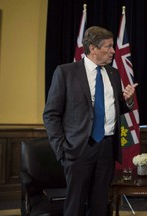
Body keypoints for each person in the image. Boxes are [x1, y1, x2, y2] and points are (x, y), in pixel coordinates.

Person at [43, 26, 138, 216]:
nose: (113, 51)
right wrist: (62, 150)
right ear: (93, 48)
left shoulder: (113, 73)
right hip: (78, 149)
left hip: (106, 148)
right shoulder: (66, 72)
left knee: (100, 204)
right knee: (75, 205)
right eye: (109, 47)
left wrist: (127, 100)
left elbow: (111, 108)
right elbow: (51, 114)